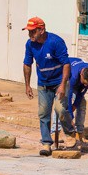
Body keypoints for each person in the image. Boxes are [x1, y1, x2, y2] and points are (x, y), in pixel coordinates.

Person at [22, 17, 70, 156]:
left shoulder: (56, 42)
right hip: (43, 83)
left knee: (60, 110)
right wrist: (27, 85)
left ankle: (70, 132)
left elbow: (66, 64)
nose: (30, 35)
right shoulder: (30, 44)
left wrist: (62, 85)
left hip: (59, 81)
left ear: (41, 30)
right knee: (43, 113)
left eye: (32, 31)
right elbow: (27, 64)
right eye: (29, 32)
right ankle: (46, 143)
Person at [55, 57, 88, 149]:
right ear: (82, 74)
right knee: (61, 104)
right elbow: (69, 97)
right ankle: (55, 132)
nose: (86, 85)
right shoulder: (74, 75)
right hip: (65, 80)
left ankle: (79, 133)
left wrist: (75, 105)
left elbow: (81, 93)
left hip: (77, 83)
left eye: (87, 84)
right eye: (85, 83)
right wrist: (70, 117)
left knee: (82, 104)